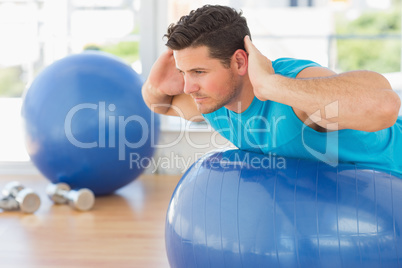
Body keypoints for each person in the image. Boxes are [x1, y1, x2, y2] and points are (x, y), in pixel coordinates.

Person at [142, 4, 402, 174]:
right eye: (183, 72)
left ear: (240, 62)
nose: (189, 87)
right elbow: (159, 105)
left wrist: (271, 85)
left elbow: (385, 105)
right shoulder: (215, 101)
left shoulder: (294, 86)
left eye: (199, 71)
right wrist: (156, 85)